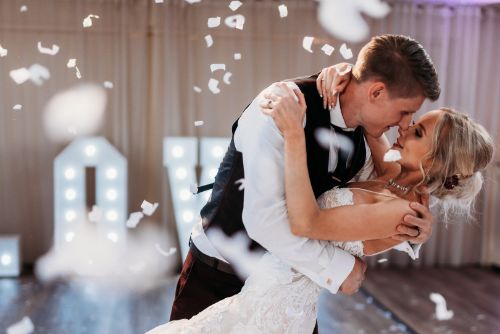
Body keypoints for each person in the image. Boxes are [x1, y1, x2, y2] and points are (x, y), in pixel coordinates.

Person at [147, 90, 494, 334]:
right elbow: (371, 115)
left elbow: (306, 222)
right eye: (412, 120)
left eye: (417, 131)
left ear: (434, 160)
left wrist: (294, 135)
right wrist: (336, 73)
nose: (404, 126)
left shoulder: (401, 212)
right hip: (262, 284)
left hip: (278, 307)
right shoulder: (392, 175)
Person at [167, 35, 440, 333]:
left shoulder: (365, 139)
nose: (405, 124)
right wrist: (339, 269)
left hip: (282, 297)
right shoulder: (281, 106)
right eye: (404, 112)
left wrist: (414, 230)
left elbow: (373, 202)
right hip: (216, 279)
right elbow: (264, 222)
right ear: (376, 91)